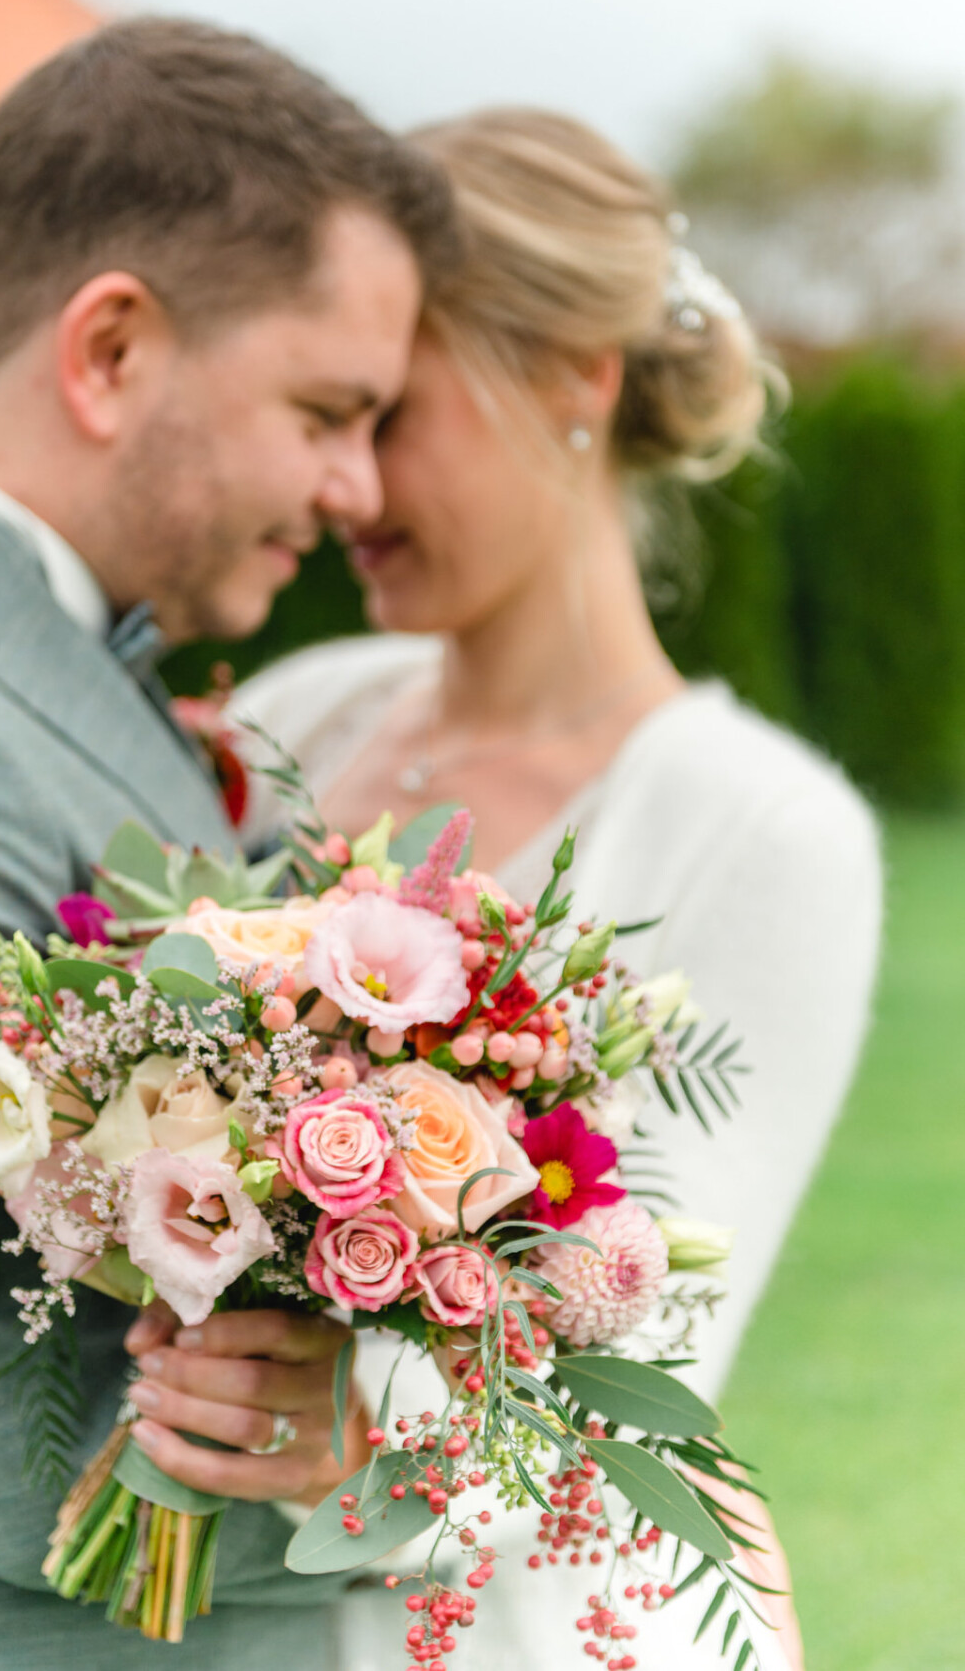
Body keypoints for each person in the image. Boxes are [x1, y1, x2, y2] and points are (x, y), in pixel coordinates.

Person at [0, 18, 460, 1670]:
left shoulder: (35, 654)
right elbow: (49, 1469)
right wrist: (523, 1471)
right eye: (326, 407)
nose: (357, 487)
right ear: (112, 352)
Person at [236, 108, 882, 1671]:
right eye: (329, 408)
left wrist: (311, 1416)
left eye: (394, 410)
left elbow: (639, 1345)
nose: (341, 475)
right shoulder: (305, 712)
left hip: (522, 1627)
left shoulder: (762, 830)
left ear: (573, 377)